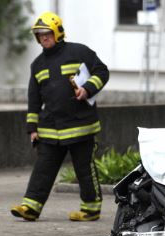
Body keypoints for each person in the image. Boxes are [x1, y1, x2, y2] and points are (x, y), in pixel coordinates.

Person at [11, 12, 109, 222]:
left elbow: (102, 71)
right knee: (43, 169)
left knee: (84, 168)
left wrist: (88, 89)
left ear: (57, 32)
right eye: (39, 35)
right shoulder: (37, 65)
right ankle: (31, 207)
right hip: (50, 129)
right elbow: (34, 99)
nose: (43, 38)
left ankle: (91, 209)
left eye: (47, 34)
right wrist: (32, 128)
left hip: (80, 126)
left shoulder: (79, 51)